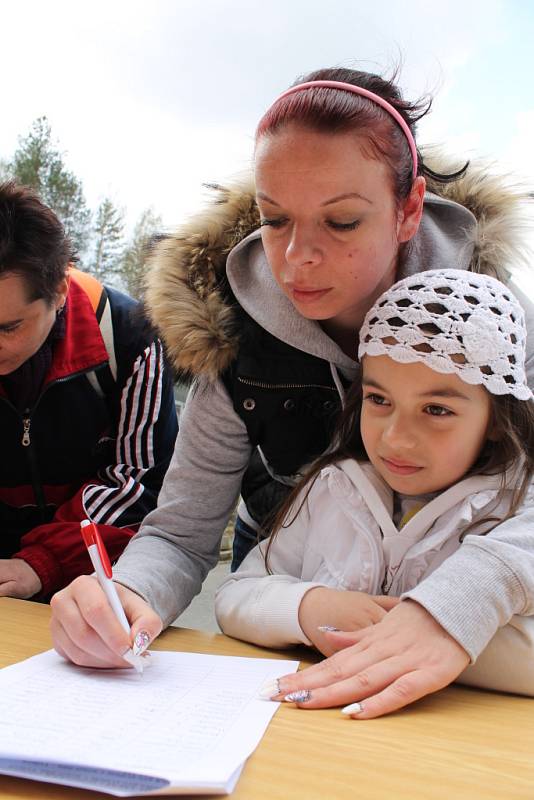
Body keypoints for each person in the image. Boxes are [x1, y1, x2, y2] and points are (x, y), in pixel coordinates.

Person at [50, 67, 534, 711]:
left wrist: (456, 604)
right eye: (275, 220)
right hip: (284, 570)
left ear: (408, 209)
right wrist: (126, 599)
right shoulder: (232, 335)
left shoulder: (496, 322)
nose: (298, 257)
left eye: (341, 223)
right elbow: (182, 532)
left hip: (475, 582)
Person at [215, 269, 534, 715]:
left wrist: (433, 634)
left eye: (436, 409)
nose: (395, 439)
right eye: (379, 400)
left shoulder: (514, 512)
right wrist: (307, 608)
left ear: (498, 418)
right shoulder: (329, 488)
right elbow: (235, 596)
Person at [0, 181, 178, 601]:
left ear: (59, 291)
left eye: (8, 328)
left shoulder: (129, 337)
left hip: (96, 576)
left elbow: (138, 483)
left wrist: (41, 561)